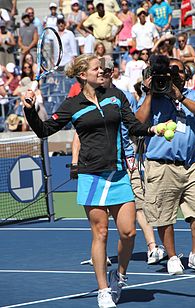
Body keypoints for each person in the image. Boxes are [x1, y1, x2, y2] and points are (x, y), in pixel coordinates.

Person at [23, 54, 161, 308]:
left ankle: (119, 275)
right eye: (97, 68)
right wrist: (29, 110)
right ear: (83, 75)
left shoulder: (116, 96)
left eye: (103, 68)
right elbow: (43, 131)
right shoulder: (72, 105)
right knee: (101, 233)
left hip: (118, 174)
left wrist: (154, 129)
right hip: (91, 176)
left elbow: (133, 126)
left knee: (129, 232)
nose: (102, 71)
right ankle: (103, 289)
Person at [135, 55, 195, 275]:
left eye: (179, 71)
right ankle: (172, 257)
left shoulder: (193, 96)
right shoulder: (154, 97)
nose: (175, 75)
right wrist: (150, 92)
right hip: (161, 165)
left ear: (186, 75)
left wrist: (180, 97)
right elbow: (137, 123)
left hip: (191, 163)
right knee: (164, 214)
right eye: (171, 71)